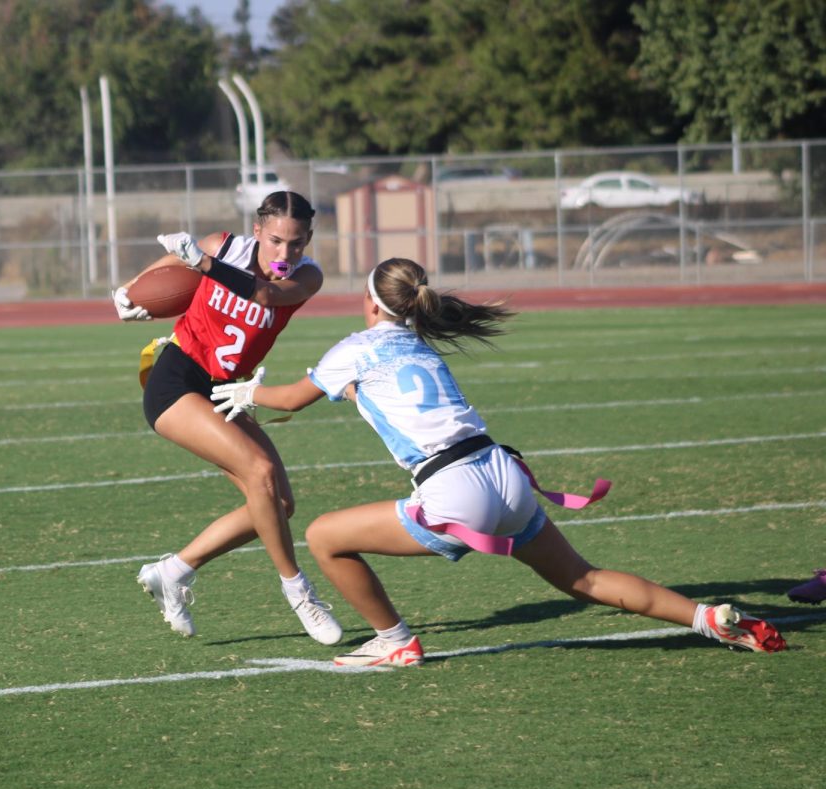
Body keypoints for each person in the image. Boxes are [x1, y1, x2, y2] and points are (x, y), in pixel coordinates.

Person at [209, 257, 787, 666]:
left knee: (323, 536)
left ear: (368, 301)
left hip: (455, 488)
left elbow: (288, 398)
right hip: (503, 475)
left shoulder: (355, 349)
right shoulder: (419, 346)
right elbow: (378, 397)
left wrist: (245, 391)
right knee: (583, 578)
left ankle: (394, 640)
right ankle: (707, 619)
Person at [110, 191, 342, 644]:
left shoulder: (308, 276)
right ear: (257, 231)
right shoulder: (222, 245)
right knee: (260, 471)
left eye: (296, 243)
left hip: (227, 390)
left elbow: (267, 293)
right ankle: (300, 593)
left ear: (308, 239)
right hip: (176, 379)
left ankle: (173, 572)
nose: (285, 253)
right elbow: (154, 280)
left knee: (278, 505)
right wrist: (128, 296)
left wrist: (204, 265)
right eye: (275, 240)